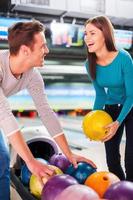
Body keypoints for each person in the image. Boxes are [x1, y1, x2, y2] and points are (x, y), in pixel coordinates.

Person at [0, 20, 96, 200]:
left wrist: (69, 153)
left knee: (2, 161)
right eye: (43, 46)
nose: (47, 50)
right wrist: (30, 162)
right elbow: (4, 114)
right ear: (25, 50)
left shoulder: (32, 75)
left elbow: (46, 112)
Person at [84, 15, 133, 181]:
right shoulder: (89, 63)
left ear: (104, 34)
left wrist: (118, 122)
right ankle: (121, 191)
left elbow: (131, 95)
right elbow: (101, 95)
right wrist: (91, 121)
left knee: (131, 161)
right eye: (85, 34)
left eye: (92, 33)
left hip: (130, 106)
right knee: (112, 161)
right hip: (111, 108)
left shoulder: (124, 58)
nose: (86, 38)